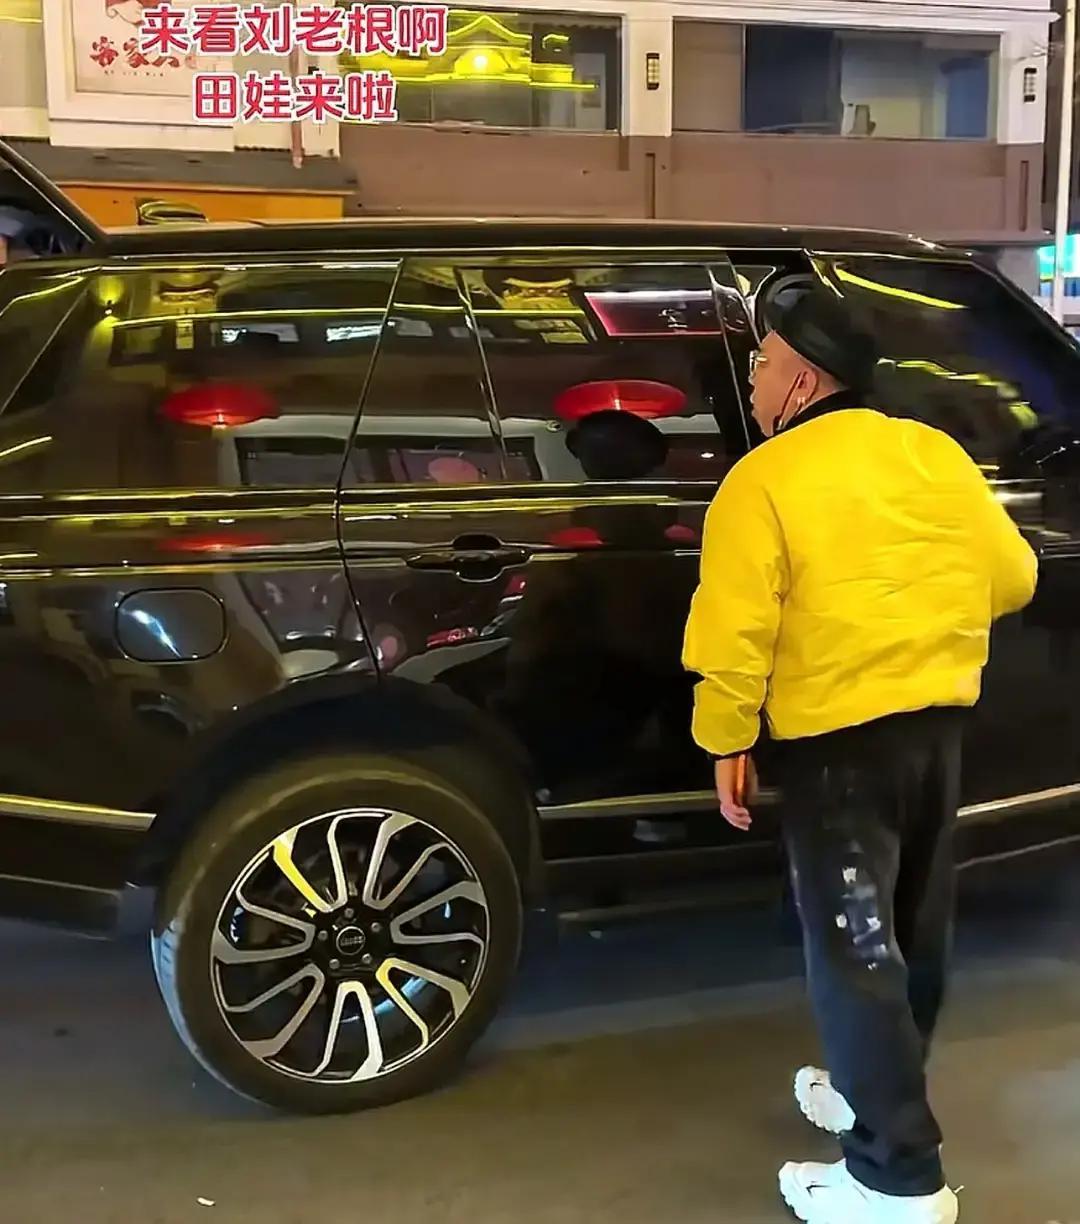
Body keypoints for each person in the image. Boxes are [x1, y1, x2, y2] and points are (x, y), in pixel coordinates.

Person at [682, 289, 1037, 1224]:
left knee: (855, 955)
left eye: (762, 362)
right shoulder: (933, 452)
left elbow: (735, 629)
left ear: (803, 380)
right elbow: (1015, 576)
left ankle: (896, 1179)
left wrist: (726, 734)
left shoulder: (764, 479)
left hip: (838, 748)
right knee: (911, 934)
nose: (752, 379)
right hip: (937, 730)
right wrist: (918, 615)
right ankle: (866, 1092)